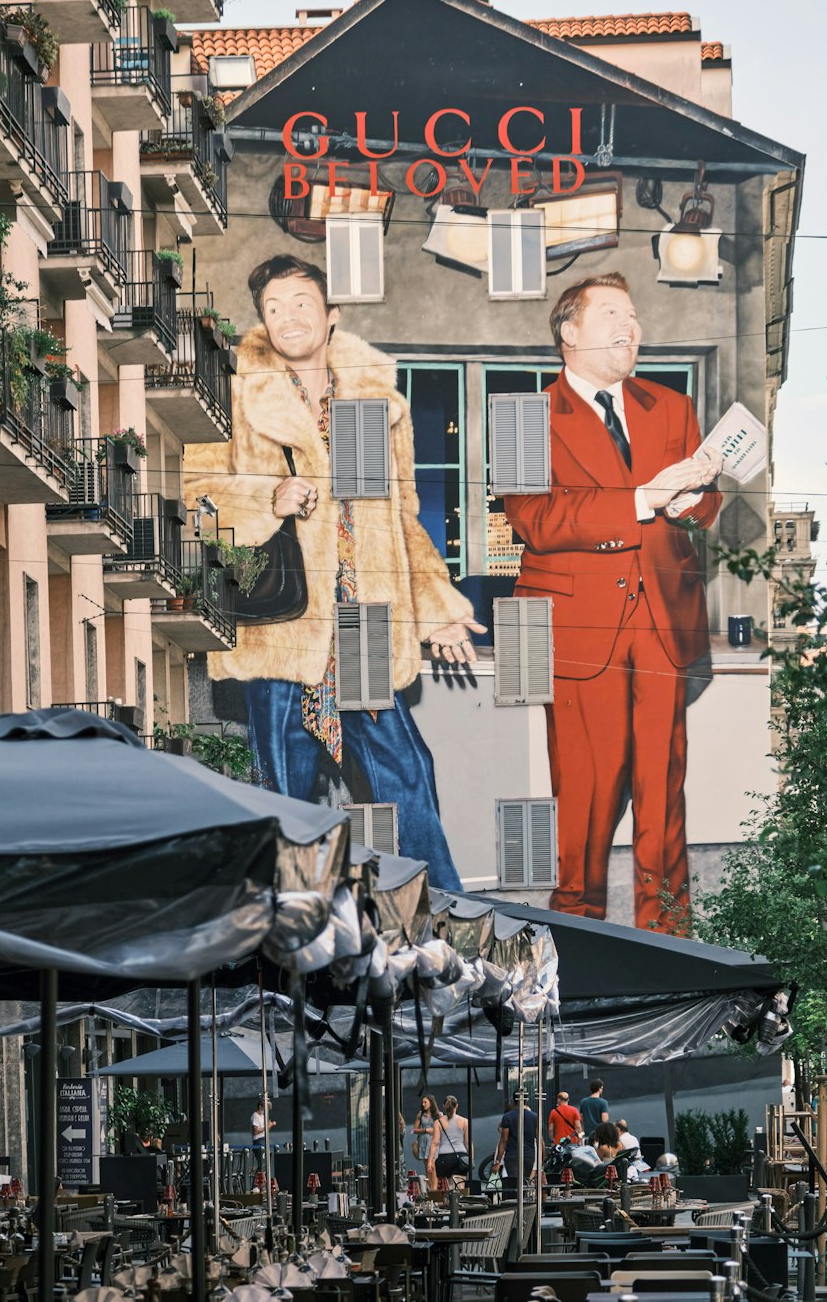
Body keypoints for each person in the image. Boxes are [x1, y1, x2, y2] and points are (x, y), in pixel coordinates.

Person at [185, 256, 485, 890]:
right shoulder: (237, 394)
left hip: (365, 621)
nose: (289, 317)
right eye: (274, 308)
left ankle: (443, 918)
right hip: (283, 625)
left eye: (301, 303)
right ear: (262, 323)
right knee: (285, 791)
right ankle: (286, 934)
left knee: (407, 772)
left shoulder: (369, 403)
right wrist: (266, 498)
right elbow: (196, 491)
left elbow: (402, 517)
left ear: (331, 315)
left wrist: (437, 611)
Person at [505, 273, 723, 929]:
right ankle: (581, 940)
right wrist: (641, 501)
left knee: (664, 795)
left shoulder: (672, 406)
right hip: (577, 633)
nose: (630, 326)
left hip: (664, 625)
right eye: (611, 314)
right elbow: (534, 520)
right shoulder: (522, 415)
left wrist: (691, 500)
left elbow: (704, 504)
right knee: (587, 800)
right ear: (568, 333)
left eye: (633, 315)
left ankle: (671, 939)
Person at [492, 1089, 541, 1192]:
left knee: (514, 1184)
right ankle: (524, 1204)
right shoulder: (534, 1117)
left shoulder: (507, 1117)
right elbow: (539, 1139)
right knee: (525, 1182)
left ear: (514, 1100)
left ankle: (515, 1205)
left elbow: (504, 1140)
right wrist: (542, 1159)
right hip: (529, 1154)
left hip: (513, 1155)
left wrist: (497, 1161)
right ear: (527, 1100)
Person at [430, 1095, 472, 1188]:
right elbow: (468, 1143)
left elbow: (435, 1142)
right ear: (457, 1106)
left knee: (445, 1187)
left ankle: (447, 1201)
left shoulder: (438, 1122)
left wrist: (430, 1161)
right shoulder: (465, 1121)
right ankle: (459, 1201)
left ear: (443, 1106)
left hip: (444, 1157)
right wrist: (471, 1159)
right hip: (461, 1156)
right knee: (460, 1185)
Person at [411, 1095, 439, 1189]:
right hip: (423, 1142)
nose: (423, 1104)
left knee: (433, 1165)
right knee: (427, 1166)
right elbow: (414, 1130)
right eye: (422, 1102)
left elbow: (442, 1129)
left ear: (431, 1103)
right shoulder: (420, 1115)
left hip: (433, 1142)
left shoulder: (438, 1115)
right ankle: (430, 1188)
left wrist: (434, 1131)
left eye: (425, 1102)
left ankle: (434, 1190)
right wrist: (426, 1130)